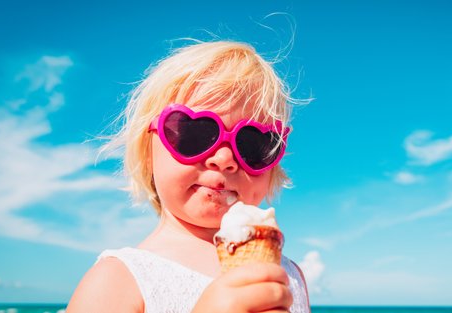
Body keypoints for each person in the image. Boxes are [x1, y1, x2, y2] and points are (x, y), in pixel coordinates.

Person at [67, 40, 310, 313]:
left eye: (253, 144)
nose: (224, 159)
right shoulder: (116, 281)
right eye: (196, 134)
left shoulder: (291, 276)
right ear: (147, 151)